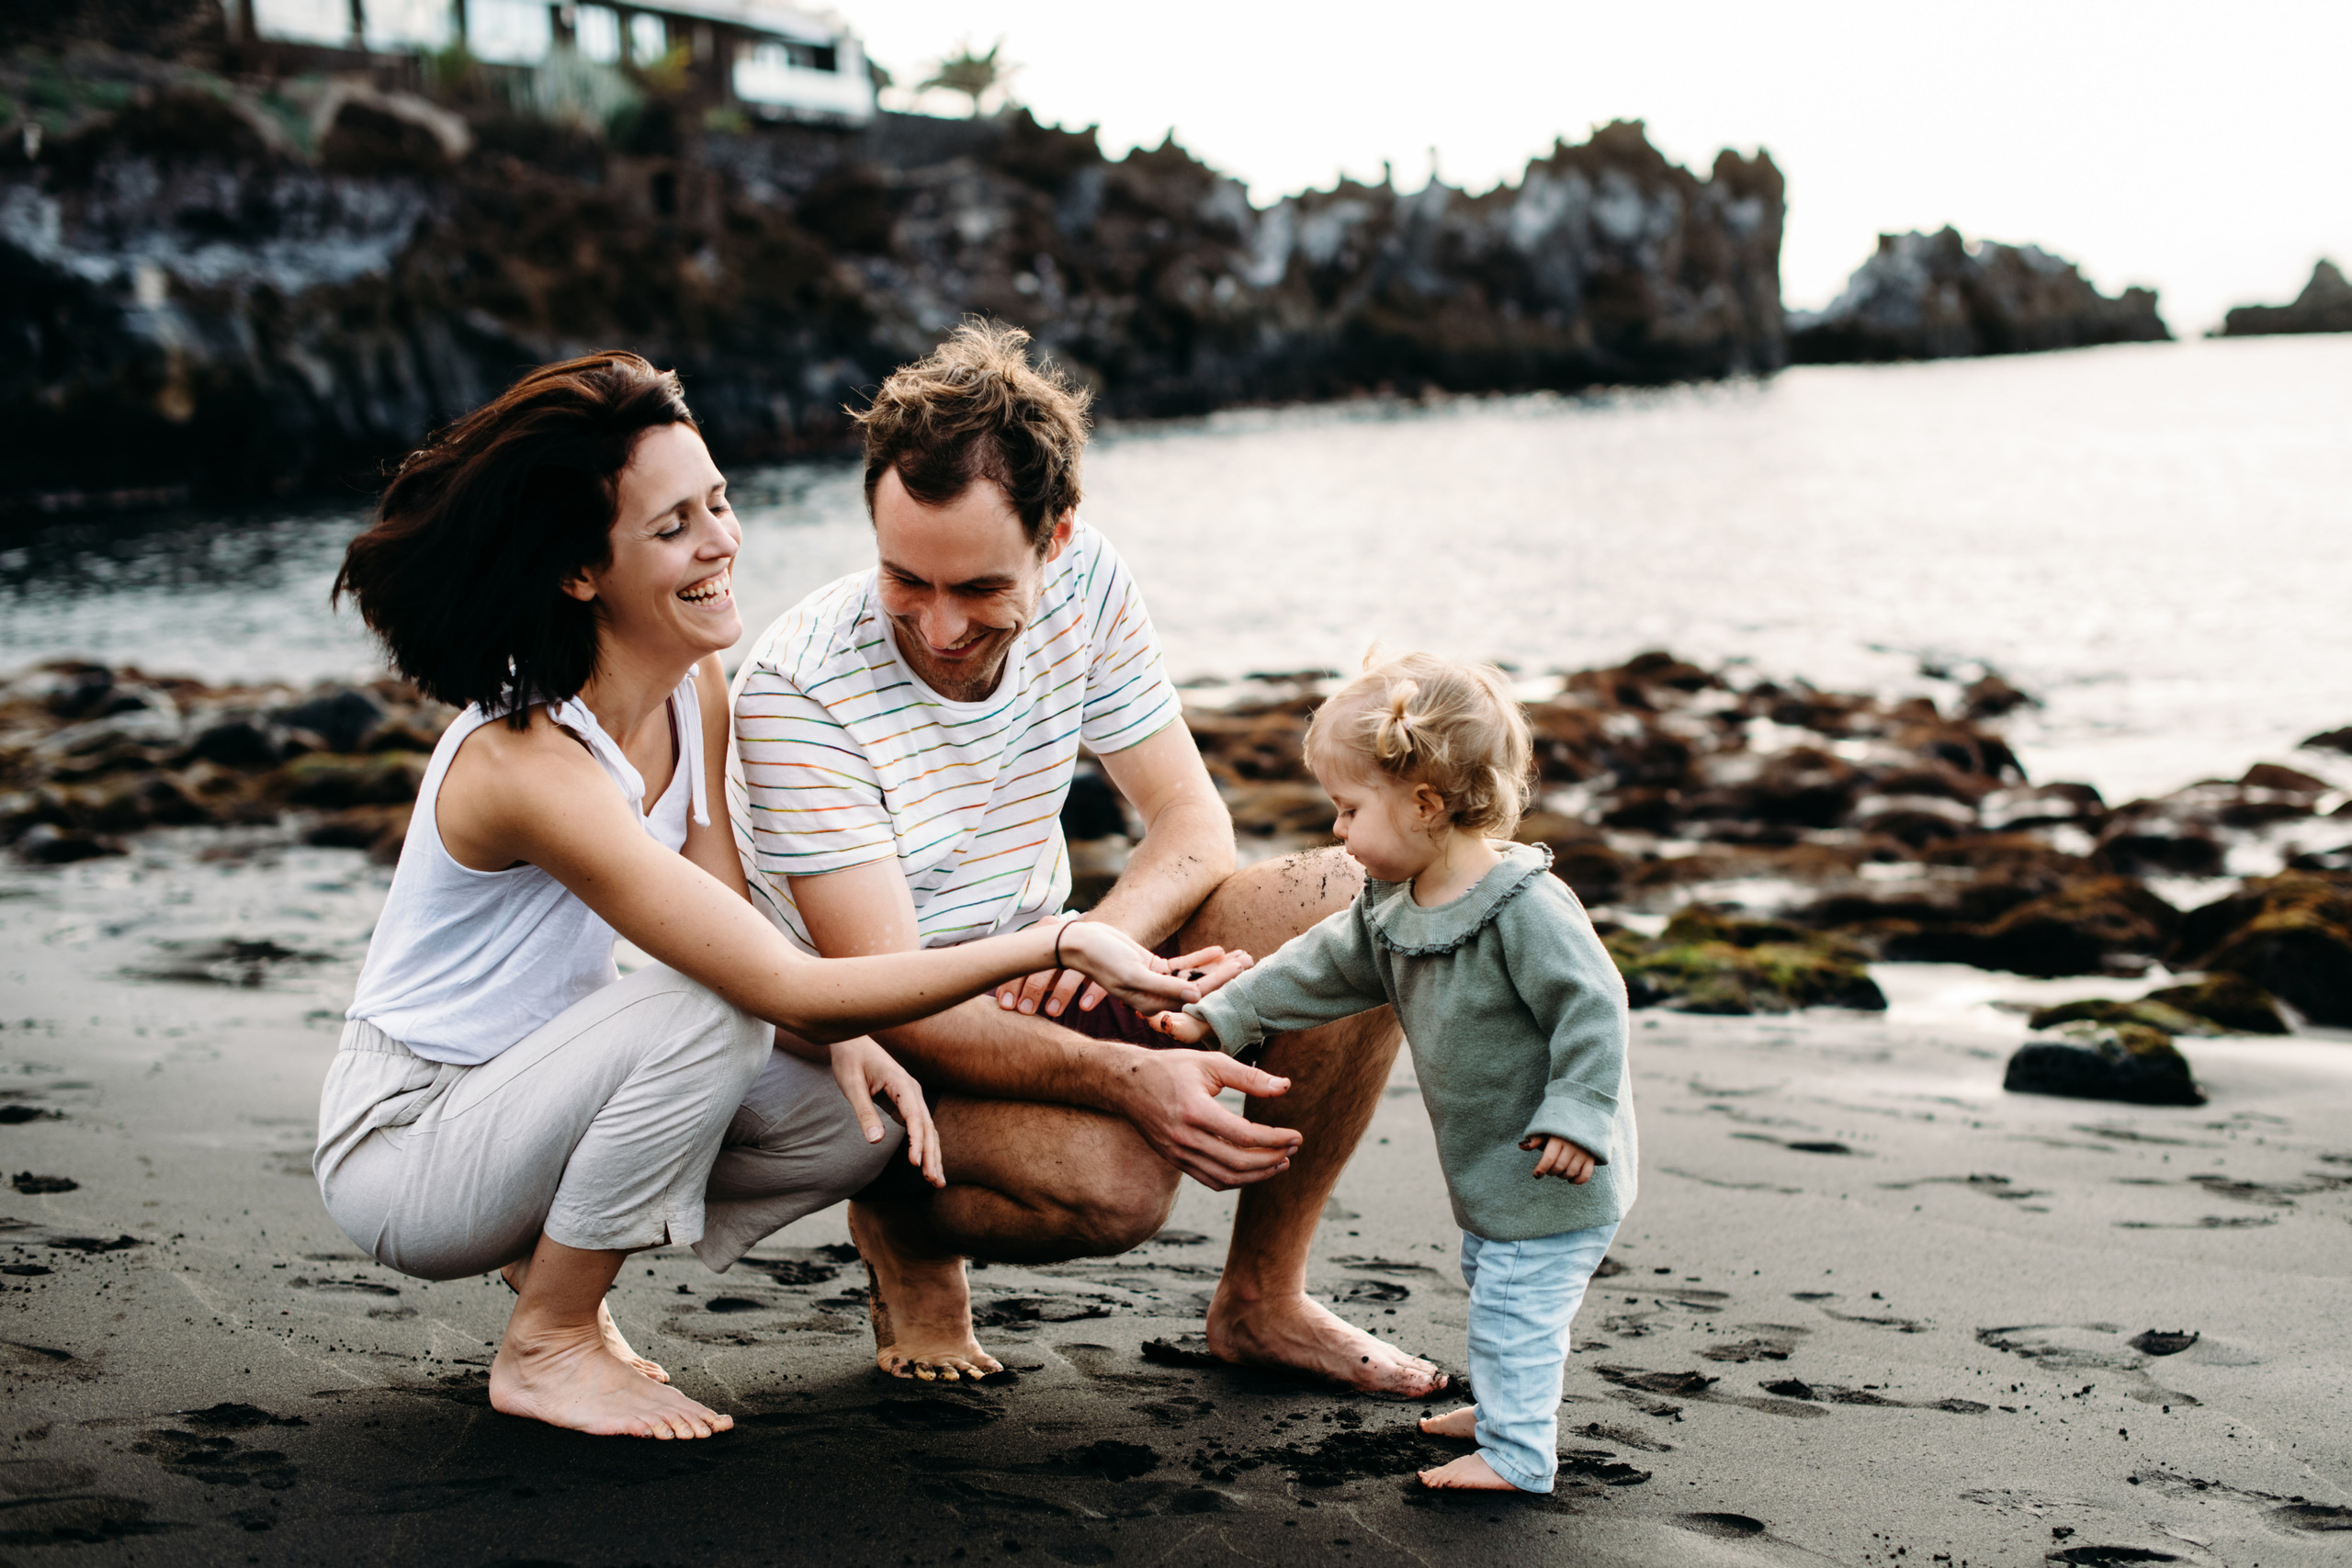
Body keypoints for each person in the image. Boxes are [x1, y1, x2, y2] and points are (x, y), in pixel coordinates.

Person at [317, 351, 1215, 1442]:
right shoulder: (528, 763)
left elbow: (736, 920)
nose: (721, 542)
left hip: (536, 1098)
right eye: (673, 528)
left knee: (857, 1120)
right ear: (579, 570)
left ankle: (547, 1265)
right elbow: (769, 981)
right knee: (715, 1012)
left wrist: (852, 1042)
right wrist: (1058, 944)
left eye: (718, 502)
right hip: (409, 1146)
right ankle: (549, 1340)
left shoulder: (693, 682)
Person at [729, 321, 1444, 1393]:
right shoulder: (800, 691)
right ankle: (903, 1227)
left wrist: (1100, 947)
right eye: (904, 577)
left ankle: (1263, 1300)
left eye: (979, 588)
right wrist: (1129, 1074)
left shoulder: (1090, 578)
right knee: (1117, 1190)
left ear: (1054, 537)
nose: (938, 626)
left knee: (1357, 896)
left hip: (1047, 964)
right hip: (878, 1034)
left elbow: (1191, 823)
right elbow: (889, 1000)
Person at [1151, 651, 1639, 1494]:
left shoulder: (1525, 905)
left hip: (1558, 1160)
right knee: (1494, 1281)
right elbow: (1312, 969)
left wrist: (1579, 1110)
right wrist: (1217, 1015)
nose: (1338, 829)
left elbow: (1593, 1006)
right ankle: (1504, 1407)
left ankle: (1519, 1455)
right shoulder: (1394, 903)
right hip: (1494, 1164)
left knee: (1519, 1304)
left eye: (1349, 808)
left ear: (1424, 803)